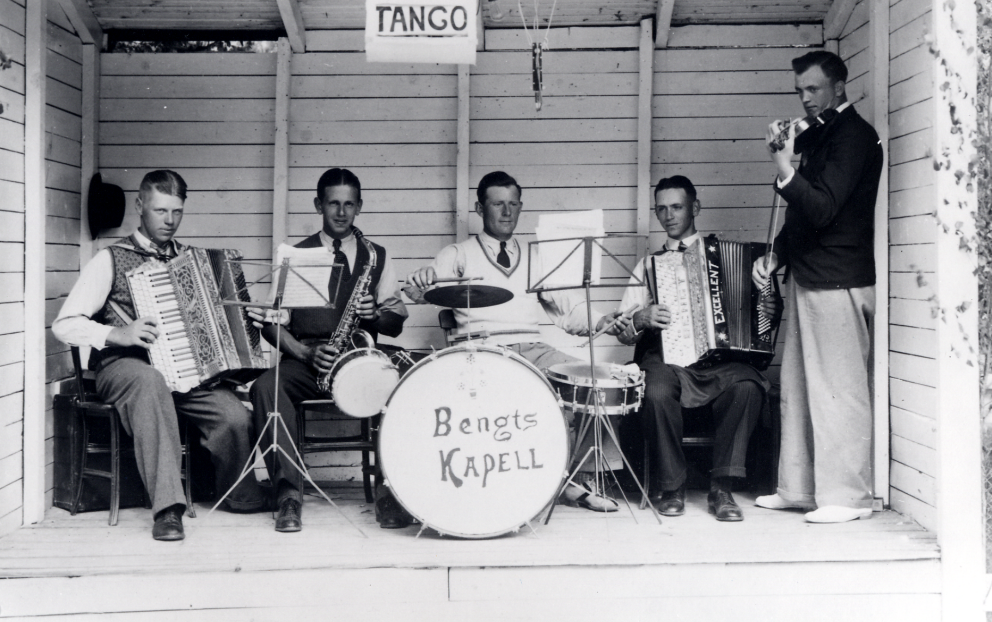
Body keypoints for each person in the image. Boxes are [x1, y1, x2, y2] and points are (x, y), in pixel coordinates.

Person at [52, 170, 266, 542]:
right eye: (159, 211)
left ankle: (241, 494)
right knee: (151, 384)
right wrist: (117, 333)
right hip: (126, 366)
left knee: (232, 415)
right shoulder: (110, 259)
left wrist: (252, 320)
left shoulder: (193, 260)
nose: (169, 221)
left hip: (185, 371)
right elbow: (64, 324)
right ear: (140, 206)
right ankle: (168, 509)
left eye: (176, 212)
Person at [406, 171, 626, 512]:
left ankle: (574, 481)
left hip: (532, 348)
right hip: (482, 350)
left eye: (513, 204)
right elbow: (421, 291)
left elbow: (568, 311)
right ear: (480, 208)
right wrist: (420, 282)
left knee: (593, 383)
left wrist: (604, 321)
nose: (506, 212)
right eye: (497, 204)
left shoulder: (536, 255)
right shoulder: (458, 253)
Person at [752, 50, 883, 524]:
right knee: (800, 388)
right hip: (809, 274)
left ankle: (847, 498)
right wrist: (777, 254)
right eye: (800, 91)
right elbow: (802, 213)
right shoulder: (823, 133)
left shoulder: (856, 137)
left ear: (840, 87)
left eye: (814, 89)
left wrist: (785, 167)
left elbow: (824, 207)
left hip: (839, 279)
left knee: (840, 391)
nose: (805, 99)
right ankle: (800, 489)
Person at [248, 168, 409, 533]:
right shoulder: (295, 255)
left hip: (359, 361)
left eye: (349, 204)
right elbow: (273, 323)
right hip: (308, 360)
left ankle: (390, 491)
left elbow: (397, 319)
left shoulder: (376, 256)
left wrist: (378, 314)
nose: (341, 212)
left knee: (401, 385)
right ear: (319, 204)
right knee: (265, 388)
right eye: (333, 203)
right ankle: (288, 494)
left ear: (359, 207)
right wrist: (304, 354)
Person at [614, 176, 770, 521]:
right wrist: (642, 316)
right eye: (662, 209)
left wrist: (767, 308)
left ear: (695, 208)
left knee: (747, 385)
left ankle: (722, 488)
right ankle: (672, 487)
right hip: (665, 360)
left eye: (677, 207)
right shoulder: (648, 266)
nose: (668, 215)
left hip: (716, 361)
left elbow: (760, 313)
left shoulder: (726, 256)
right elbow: (622, 334)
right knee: (654, 391)